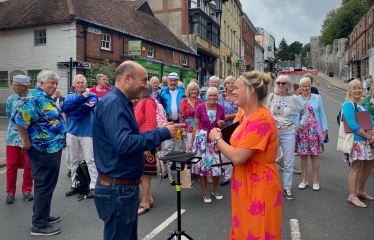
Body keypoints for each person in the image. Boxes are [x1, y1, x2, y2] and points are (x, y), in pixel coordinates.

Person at [92, 61, 184, 240]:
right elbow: (123, 143)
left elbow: (129, 137)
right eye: (143, 80)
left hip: (122, 187)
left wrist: (158, 131)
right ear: (128, 78)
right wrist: (161, 134)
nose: (146, 85)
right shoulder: (114, 104)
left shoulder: (119, 102)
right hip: (118, 189)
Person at [209, 71, 281, 239]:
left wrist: (217, 139)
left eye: (236, 88)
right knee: (244, 230)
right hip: (245, 181)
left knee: (257, 231)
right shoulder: (246, 116)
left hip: (258, 184)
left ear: (251, 90)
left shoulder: (260, 119)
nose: (232, 91)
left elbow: (238, 157)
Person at [12, 70, 66, 236]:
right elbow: (19, 118)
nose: (54, 86)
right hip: (43, 151)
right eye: (51, 83)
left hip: (52, 149)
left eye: (56, 83)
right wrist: (25, 140)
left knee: (47, 185)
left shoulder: (44, 97)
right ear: (41, 83)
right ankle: (39, 224)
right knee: (44, 185)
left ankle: (43, 215)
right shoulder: (34, 98)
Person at [267, 75, 309, 200]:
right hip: (273, 132)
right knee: (269, 160)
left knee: (289, 161)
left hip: (288, 132)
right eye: (278, 83)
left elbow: (305, 112)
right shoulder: (272, 96)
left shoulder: (294, 98)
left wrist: (299, 126)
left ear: (288, 85)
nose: (280, 85)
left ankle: (287, 188)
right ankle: (271, 186)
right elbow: (266, 112)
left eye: (283, 83)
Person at [62, 74, 99, 198]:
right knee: (74, 160)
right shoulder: (69, 97)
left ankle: (93, 186)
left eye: (82, 82)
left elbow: (92, 103)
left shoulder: (92, 96)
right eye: (78, 83)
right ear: (74, 85)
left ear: (86, 84)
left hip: (88, 133)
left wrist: (85, 106)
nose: (80, 85)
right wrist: (81, 106)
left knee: (90, 160)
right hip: (72, 132)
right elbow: (67, 109)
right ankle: (75, 184)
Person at [187, 87, 226, 203]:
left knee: (217, 166)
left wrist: (223, 124)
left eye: (214, 95)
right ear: (207, 96)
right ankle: (205, 192)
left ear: (217, 97)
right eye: (210, 95)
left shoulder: (221, 108)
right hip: (202, 140)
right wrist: (192, 142)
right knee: (202, 167)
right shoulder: (200, 107)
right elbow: (196, 126)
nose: (212, 98)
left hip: (215, 139)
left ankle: (215, 189)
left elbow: (222, 126)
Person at [343, 79, 374, 208]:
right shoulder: (348, 105)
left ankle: (360, 190)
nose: (357, 91)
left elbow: (370, 122)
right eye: (354, 88)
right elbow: (352, 125)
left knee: (369, 164)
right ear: (350, 91)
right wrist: (368, 136)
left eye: (359, 88)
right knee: (356, 167)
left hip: (367, 141)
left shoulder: (363, 105)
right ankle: (352, 195)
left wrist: (372, 134)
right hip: (357, 140)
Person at [296, 77, 328, 191]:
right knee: (303, 156)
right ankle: (304, 180)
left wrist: (325, 128)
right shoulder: (296, 99)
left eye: (307, 86)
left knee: (315, 155)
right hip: (301, 132)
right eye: (302, 86)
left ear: (310, 87)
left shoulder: (318, 98)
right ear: (299, 87)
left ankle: (315, 181)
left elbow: (322, 114)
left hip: (315, 131)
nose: (304, 88)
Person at [5, 75, 33, 204]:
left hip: (29, 137)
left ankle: (26, 190)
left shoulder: (32, 99)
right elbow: (9, 116)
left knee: (29, 165)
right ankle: (10, 192)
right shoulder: (11, 100)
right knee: (12, 165)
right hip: (13, 138)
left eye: (15, 84)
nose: (13, 86)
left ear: (24, 86)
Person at [134, 81, 158, 215]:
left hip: (145, 143)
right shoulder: (140, 102)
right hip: (141, 143)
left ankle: (144, 203)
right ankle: (149, 198)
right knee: (143, 173)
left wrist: (147, 145)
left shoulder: (148, 102)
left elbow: (150, 124)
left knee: (145, 173)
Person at [179, 81, 204, 185]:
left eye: (195, 89)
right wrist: (183, 130)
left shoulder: (201, 101)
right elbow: (181, 116)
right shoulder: (184, 101)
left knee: (198, 151)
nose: (194, 91)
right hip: (188, 129)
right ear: (188, 91)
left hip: (199, 128)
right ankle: (191, 174)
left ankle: (198, 172)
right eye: (192, 89)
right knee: (189, 151)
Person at [158, 72, 186, 157]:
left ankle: (182, 168)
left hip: (180, 123)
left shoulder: (183, 91)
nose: (173, 82)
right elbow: (157, 106)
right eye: (171, 80)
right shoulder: (162, 92)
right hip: (168, 124)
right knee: (169, 147)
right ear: (168, 81)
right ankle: (170, 168)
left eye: (175, 80)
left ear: (177, 81)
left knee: (181, 147)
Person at [217, 76, 238, 186]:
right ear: (224, 85)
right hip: (224, 126)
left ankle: (237, 172)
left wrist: (230, 116)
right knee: (225, 151)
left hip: (237, 126)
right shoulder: (220, 97)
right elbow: (218, 113)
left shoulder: (238, 96)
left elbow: (244, 110)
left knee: (237, 149)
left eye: (232, 82)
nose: (230, 84)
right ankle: (227, 175)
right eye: (228, 83)